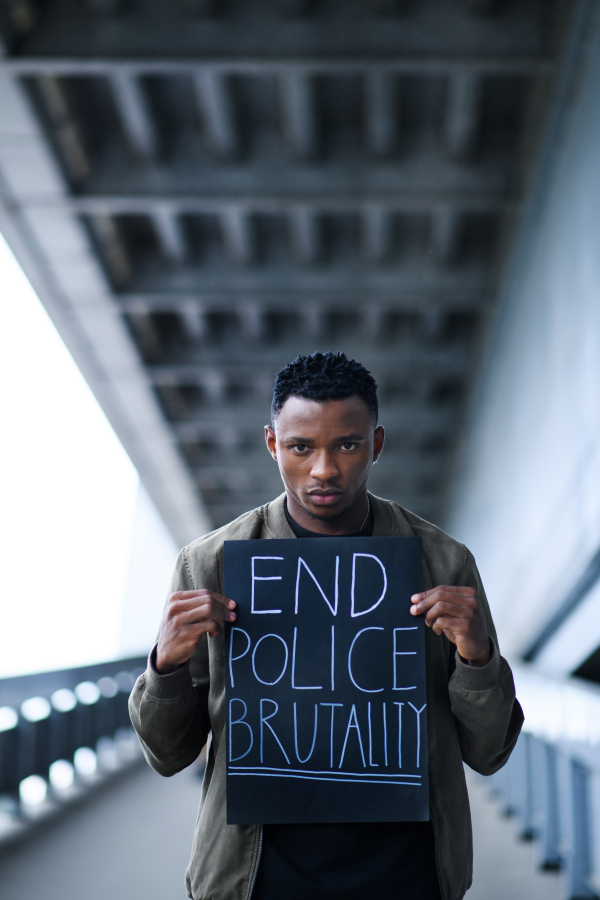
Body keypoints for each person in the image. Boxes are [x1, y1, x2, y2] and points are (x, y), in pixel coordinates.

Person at [129, 351, 523, 900]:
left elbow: (489, 752)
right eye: (300, 447)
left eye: (347, 444)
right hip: (257, 877)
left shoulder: (442, 561)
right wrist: (165, 667)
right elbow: (168, 756)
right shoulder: (210, 562)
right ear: (272, 444)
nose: (324, 470)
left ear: (376, 445)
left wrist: (477, 660)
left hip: (407, 874)